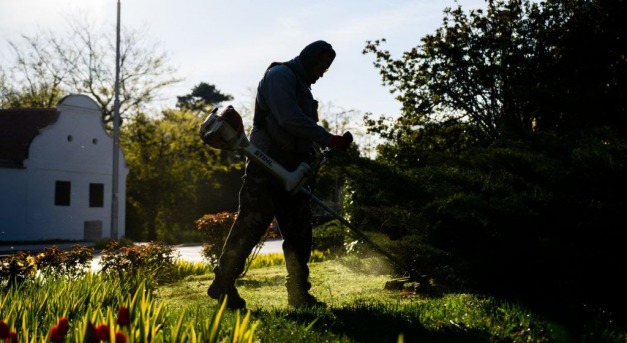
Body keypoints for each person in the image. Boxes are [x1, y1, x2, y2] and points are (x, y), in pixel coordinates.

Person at [207, 40, 351, 309]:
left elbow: (303, 127)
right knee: (250, 226)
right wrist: (327, 138)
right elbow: (288, 118)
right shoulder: (280, 76)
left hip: (292, 170)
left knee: (299, 233)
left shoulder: (303, 87)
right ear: (308, 60)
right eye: (321, 66)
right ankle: (223, 283)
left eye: (327, 69)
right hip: (266, 167)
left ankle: (298, 293)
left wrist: (320, 146)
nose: (322, 73)